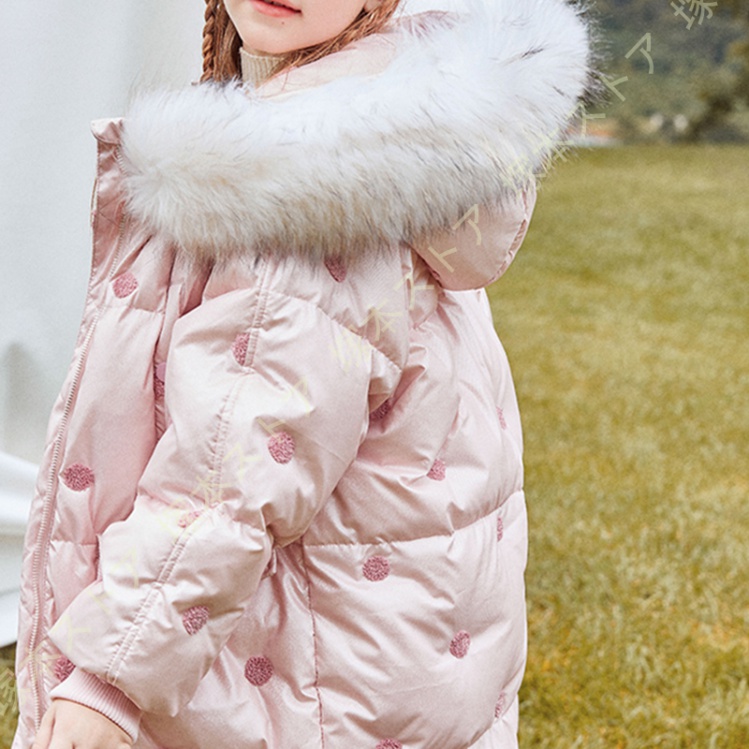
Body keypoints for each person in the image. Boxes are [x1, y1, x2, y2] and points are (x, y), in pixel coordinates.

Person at [13, 0, 593, 746]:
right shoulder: (399, 136)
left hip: (305, 679)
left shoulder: (308, 191)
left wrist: (111, 677)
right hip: (382, 658)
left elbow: (228, 478)